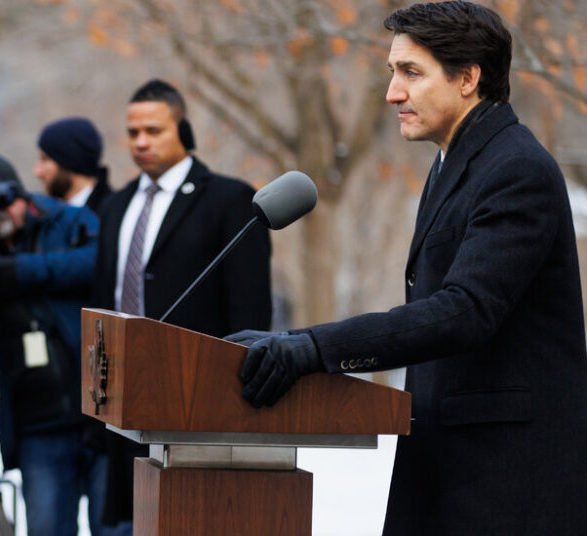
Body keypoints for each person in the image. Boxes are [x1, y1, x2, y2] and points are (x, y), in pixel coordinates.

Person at [229, 2, 587, 534]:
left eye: (411, 73)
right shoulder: (458, 160)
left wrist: (315, 348)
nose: (393, 92)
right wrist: (297, 341)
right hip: (448, 465)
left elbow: (463, 312)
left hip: (508, 483)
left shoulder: (516, 169)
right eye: (393, 73)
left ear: (468, 78)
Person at [90, 78, 272, 530]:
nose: (141, 142)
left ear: (184, 131)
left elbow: (249, 312)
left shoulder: (230, 200)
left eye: (154, 130)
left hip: (198, 410)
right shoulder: (114, 207)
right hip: (120, 407)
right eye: (133, 133)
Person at [0, 154, 104, 536]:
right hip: (38, 428)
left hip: (100, 415)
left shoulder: (69, 223)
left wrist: (19, 272)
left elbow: (99, 265)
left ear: (11, 196)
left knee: (116, 530)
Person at [34, 116, 112, 213]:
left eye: (45, 159)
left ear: (69, 161)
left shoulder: (111, 215)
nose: (37, 172)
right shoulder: (53, 216)